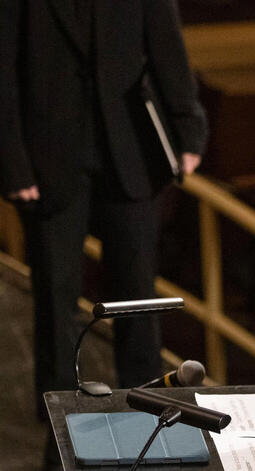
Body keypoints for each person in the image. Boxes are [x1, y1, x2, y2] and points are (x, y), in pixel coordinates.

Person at [0, 1, 208, 411]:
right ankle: (59, 441)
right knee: (56, 306)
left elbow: (165, 43)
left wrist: (188, 127)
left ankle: (150, 423)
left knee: (138, 301)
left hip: (129, 152)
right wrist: (11, 162)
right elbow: (3, 65)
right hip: (48, 162)